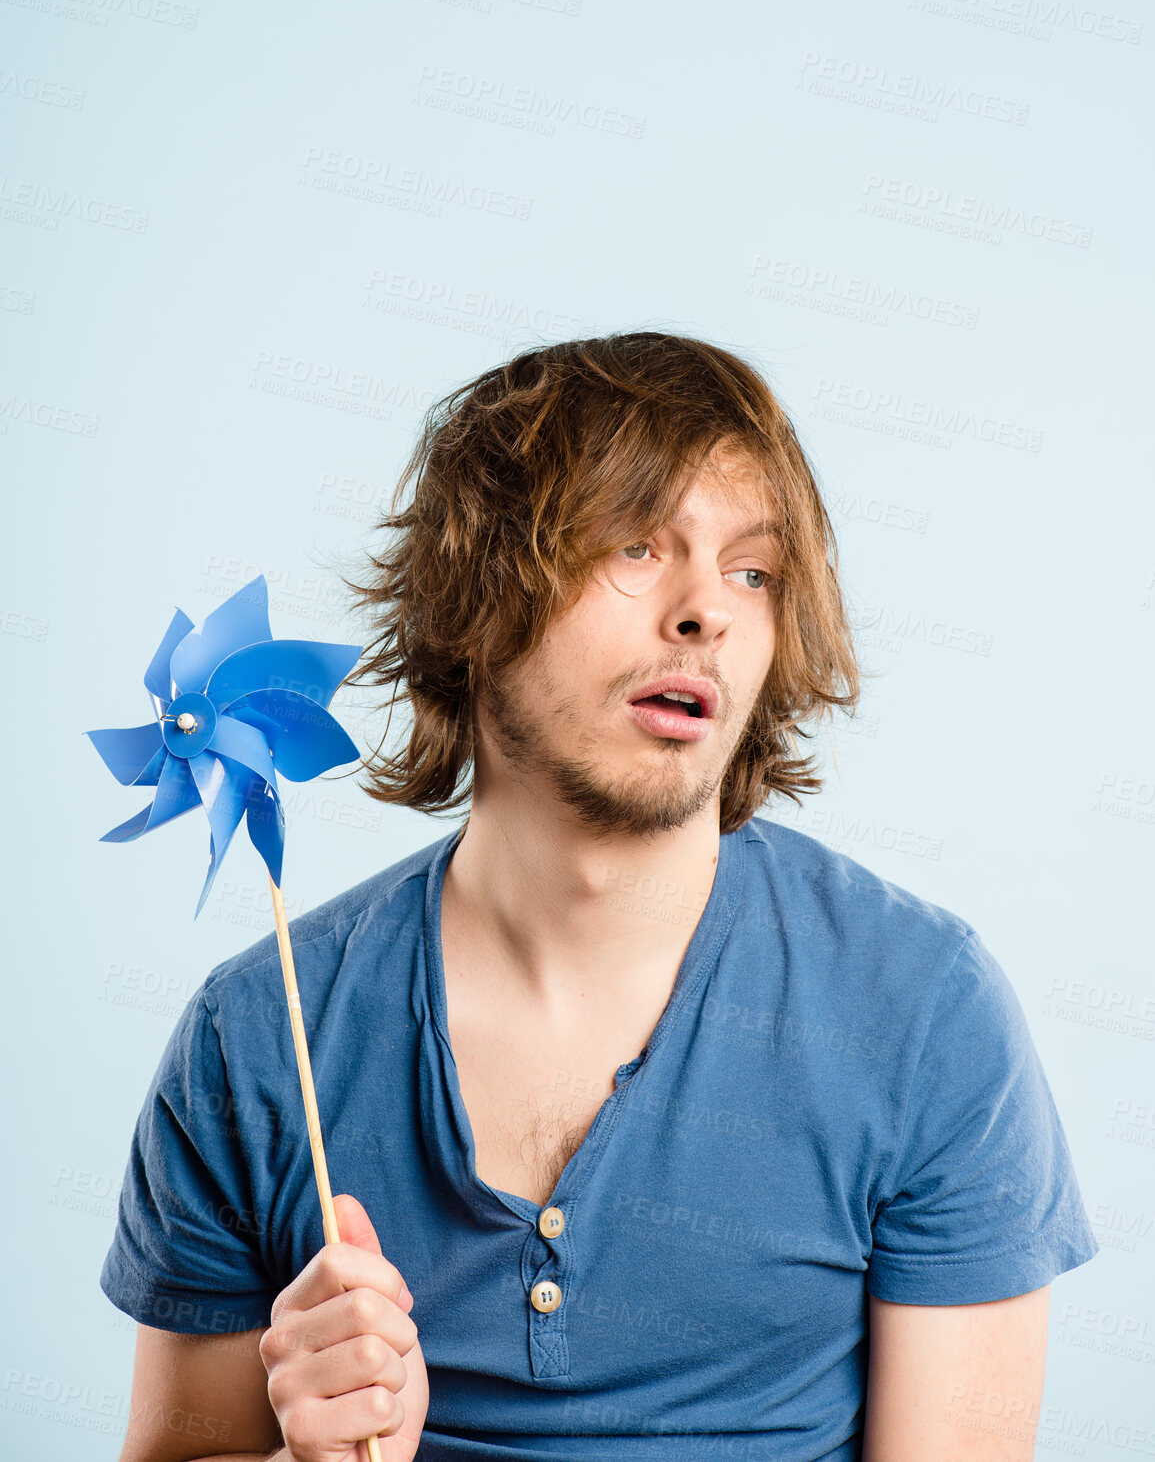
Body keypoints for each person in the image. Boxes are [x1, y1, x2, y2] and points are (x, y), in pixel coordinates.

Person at [103, 333, 1097, 1462]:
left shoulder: (921, 1010)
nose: (705, 612)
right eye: (634, 546)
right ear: (477, 597)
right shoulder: (257, 1038)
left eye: (752, 572)